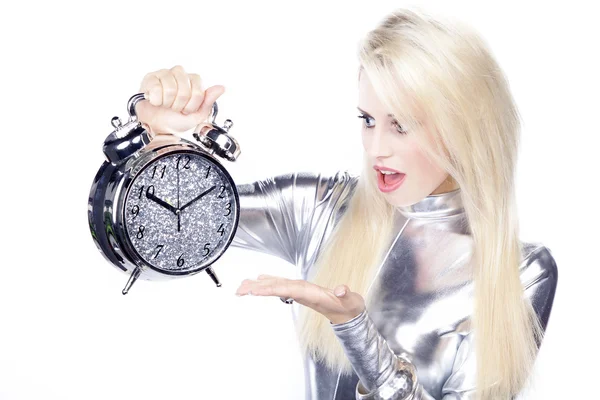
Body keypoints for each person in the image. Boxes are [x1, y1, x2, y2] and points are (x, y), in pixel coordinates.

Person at [134, 8, 557, 400]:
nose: (376, 149)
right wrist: (159, 144)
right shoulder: (321, 208)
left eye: (401, 126)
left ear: (462, 128)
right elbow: (156, 232)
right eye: (368, 120)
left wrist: (357, 332)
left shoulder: (520, 272)